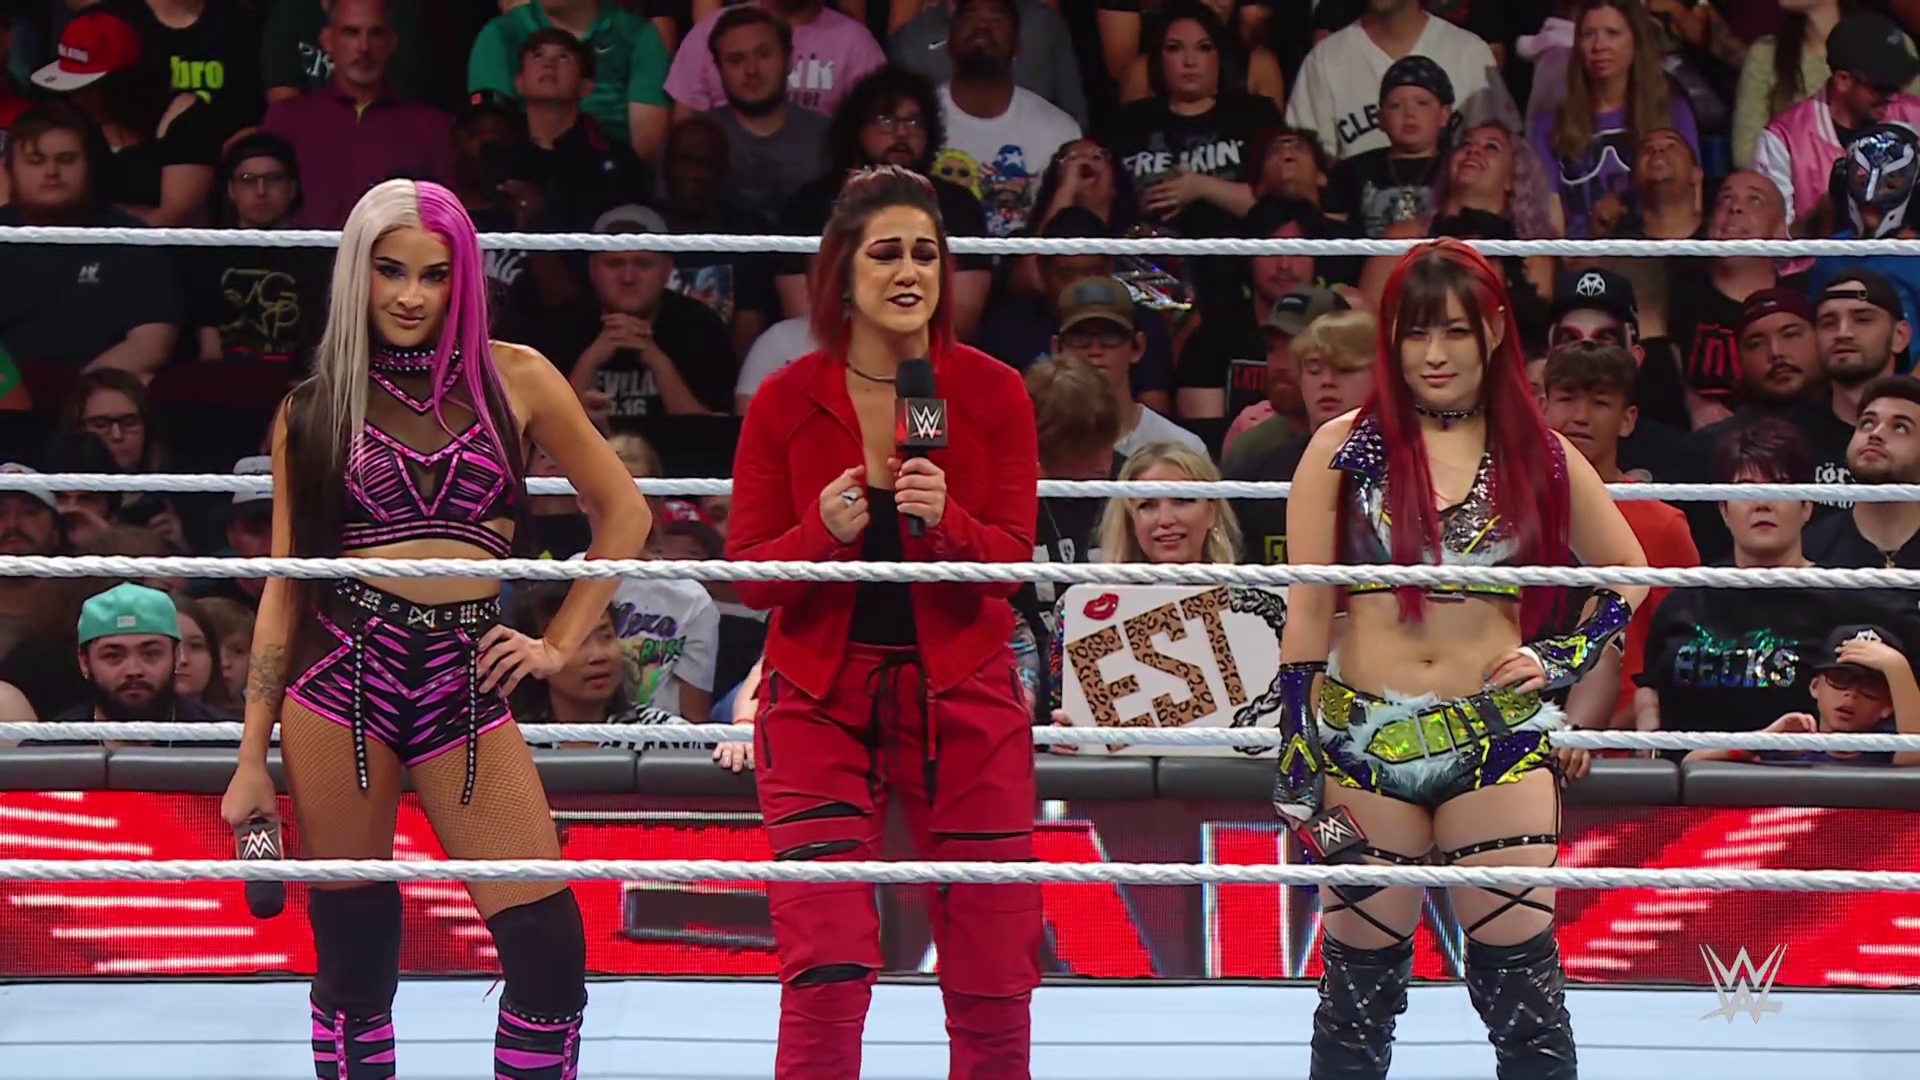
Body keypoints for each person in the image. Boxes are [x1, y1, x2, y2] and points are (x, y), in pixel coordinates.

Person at [216, 178, 650, 1080]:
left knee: (549, 951)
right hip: (342, 683)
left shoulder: (516, 375)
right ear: (357, 274)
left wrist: (557, 644)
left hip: (465, 676)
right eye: (390, 271)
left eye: (434, 274)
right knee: (356, 958)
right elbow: (286, 587)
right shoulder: (313, 408)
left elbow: (625, 514)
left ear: (464, 280)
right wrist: (251, 757)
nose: (412, 295)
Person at [1274, 238, 1649, 1080]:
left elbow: (1630, 571)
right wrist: (1296, 752)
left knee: (1525, 999)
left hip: (1497, 742)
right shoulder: (1341, 447)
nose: (1434, 354)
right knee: (1354, 997)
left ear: (1495, 331)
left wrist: (1563, 654)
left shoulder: (1540, 452)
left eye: (1453, 330)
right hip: (1362, 750)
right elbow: (1307, 609)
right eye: (1415, 332)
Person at [725, 164, 1041, 1078]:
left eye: (926, 255)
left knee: (993, 970)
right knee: (824, 964)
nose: (910, 273)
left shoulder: (992, 392)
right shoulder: (785, 398)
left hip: (966, 695)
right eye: (887, 253)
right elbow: (750, 575)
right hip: (818, 699)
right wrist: (817, 536)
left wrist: (951, 523)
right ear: (842, 271)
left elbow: (1011, 564)